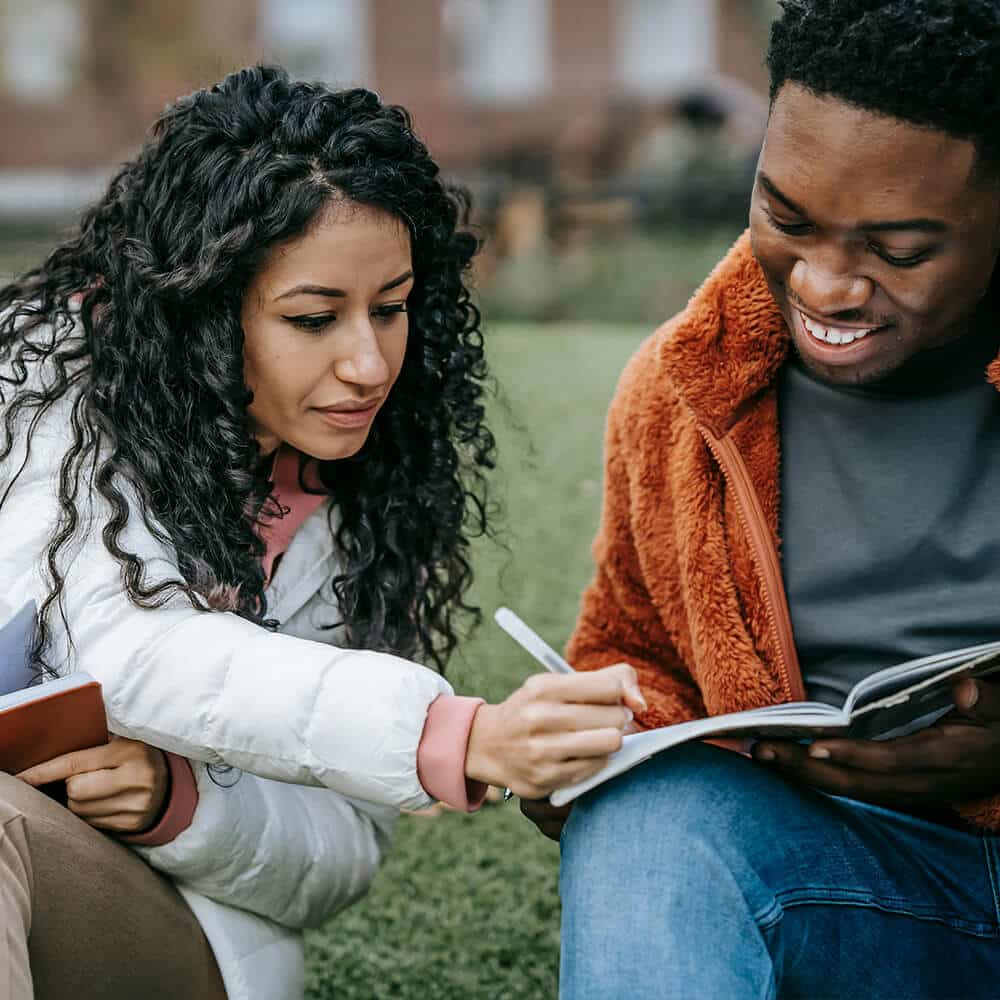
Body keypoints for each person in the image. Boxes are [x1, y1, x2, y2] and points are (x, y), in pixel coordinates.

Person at [0, 66, 644, 1000]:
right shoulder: (46, 387)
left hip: (161, 933)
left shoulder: (363, 510)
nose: (369, 361)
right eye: (314, 318)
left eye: (392, 307)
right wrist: (448, 733)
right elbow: (116, 638)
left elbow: (337, 854)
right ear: (201, 312)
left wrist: (180, 805)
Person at [520, 2, 1000, 997]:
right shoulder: (685, 389)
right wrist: (580, 745)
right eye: (785, 217)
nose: (824, 285)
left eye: (898, 250)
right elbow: (636, 649)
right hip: (854, 881)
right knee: (645, 824)